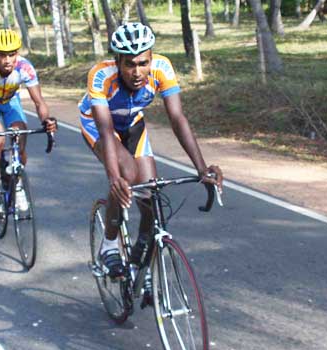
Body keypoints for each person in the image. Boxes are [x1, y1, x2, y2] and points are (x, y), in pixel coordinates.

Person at [78, 22, 223, 279]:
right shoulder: (101, 75)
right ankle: (109, 246)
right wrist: (115, 179)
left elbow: (177, 118)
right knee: (127, 173)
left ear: (151, 58)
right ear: (117, 61)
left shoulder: (162, 68)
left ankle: (140, 261)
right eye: (130, 64)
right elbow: (106, 130)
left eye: (143, 63)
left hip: (132, 122)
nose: (137, 72)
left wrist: (201, 169)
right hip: (98, 124)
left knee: (151, 195)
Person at [0, 29, 57, 215]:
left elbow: (39, 102)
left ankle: (17, 184)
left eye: (12, 54)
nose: (7, 60)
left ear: (17, 53)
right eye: (2, 55)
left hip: (11, 103)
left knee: (20, 136)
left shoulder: (25, 67)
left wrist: (46, 120)